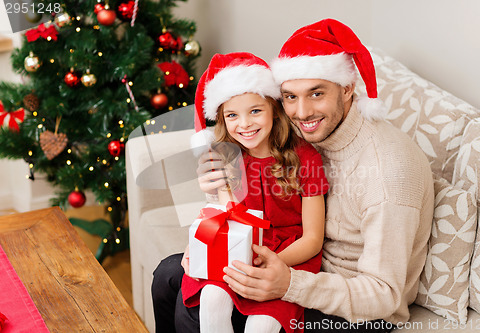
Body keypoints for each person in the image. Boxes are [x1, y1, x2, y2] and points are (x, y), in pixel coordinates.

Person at [152, 18, 434, 333]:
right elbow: (255, 184)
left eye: (316, 94)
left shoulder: (387, 172)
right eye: (290, 96)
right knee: (168, 276)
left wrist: (287, 283)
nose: (301, 112)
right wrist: (210, 238)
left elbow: (386, 296)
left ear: (347, 89)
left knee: (193, 310)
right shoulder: (298, 133)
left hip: (355, 306)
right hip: (288, 256)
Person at [183, 52, 329, 333]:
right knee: (211, 298)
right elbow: (228, 216)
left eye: (255, 111)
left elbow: (312, 238)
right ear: (223, 120)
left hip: (288, 256)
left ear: (274, 109)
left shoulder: (306, 159)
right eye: (232, 115)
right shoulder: (226, 157)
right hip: (240, 249)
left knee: (262, 325)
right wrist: (200, 246)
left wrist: (272, 263)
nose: (245, 124)